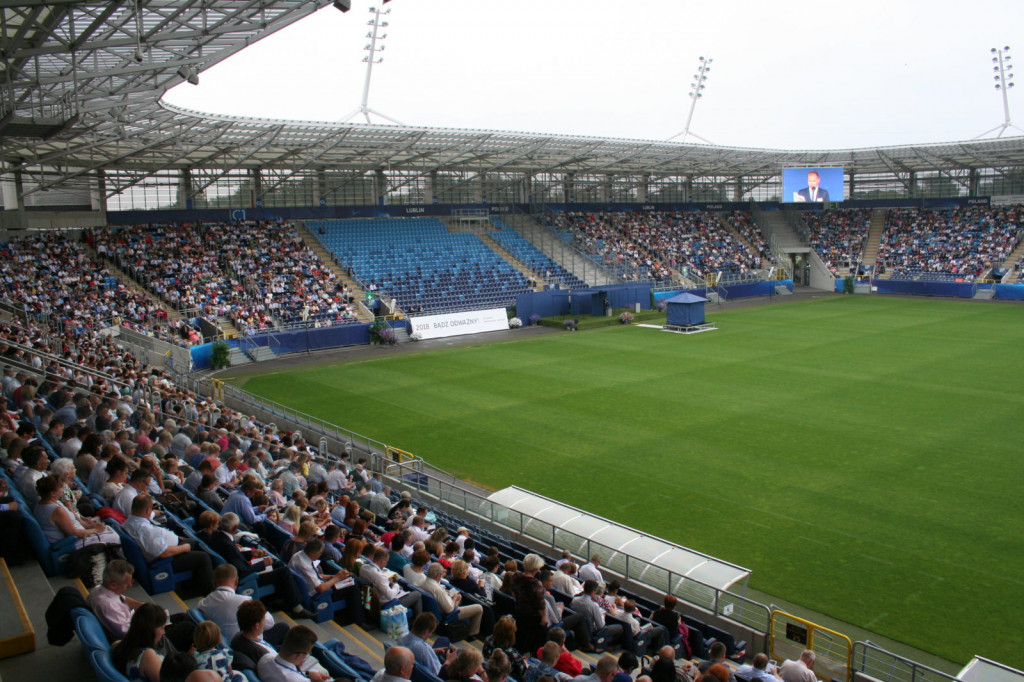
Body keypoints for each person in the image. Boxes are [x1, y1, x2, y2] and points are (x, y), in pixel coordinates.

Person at [122, 494, 213, 595]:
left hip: (166, 546)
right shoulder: (145, 531)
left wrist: (153, 513)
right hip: (164, 560)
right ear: (148, 510)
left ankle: (194, 581)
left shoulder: (129, 521)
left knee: (193, 542)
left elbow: (143, 518)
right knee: (204, 557)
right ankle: (205, 591)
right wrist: (184, 547)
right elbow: (163, 553)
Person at [288, 538, 365, 624]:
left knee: (348, 581)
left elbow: (313, 576)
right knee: (353, 586)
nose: (320, 555)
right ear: (313, 553)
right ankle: (358, 620)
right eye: (320, 553)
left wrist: (333, 577)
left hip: (313, 587)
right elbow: (320, 588)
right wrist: (337, 578)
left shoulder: (298, 555)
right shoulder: (305, 566)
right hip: (319, 595)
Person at [34, 473, 119, 548]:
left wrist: (88, 526)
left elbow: (74, 519)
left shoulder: (47, 502)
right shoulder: (56, 511)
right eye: (60, 487)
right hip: (70, 544)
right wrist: (96, 530)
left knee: (107, 528)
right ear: (52, 493)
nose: (63, 488)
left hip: (77, 535)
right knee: (115, 536)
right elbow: (74, 534)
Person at [420, 562, 483, 637]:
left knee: (459, 596)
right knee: (479, 608)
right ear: (437, 576)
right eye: (441, 574)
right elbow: (449, 609)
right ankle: (472, 634)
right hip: (448, 613)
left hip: (439, 607)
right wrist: (455, 599)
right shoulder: (437, 590)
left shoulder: (423, 583)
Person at [111, 602, 169, 682]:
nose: (164, 632)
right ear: (150, 630)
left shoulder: (117, 645)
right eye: (162, 628)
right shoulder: (147, 655)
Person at [359, 546, 423, 618]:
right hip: (385, 604)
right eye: (386, 562)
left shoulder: (363, 568)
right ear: (382, 562)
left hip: (371, 600)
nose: (386, 564)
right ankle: (418, 622)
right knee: (417, 594)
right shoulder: (380, 576)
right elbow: (390, 596)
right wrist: (396, 586)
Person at [256, 624, 335, 682]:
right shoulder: (299, 680)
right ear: (298, 655)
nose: (306, 657)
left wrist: (307, 674)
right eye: (306, 654)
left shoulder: (265, 658)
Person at [397, 612, 456, 677]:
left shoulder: (401, 639)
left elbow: (415, 650)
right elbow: (438, 673)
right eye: (431, 632)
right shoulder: (424, 649)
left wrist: (433, 651)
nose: (430, 635)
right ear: (426, 631)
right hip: (436, 674)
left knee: (443, 639)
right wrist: (448, 661)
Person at [571, 580, 623, 650]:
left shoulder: (575, 600)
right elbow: (601, 626)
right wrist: (602, 616)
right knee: (620, 627)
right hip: (591, 631)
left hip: (579, 628)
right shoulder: (593, 606)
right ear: (593, 591)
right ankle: (605, 646)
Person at [512, 554, 548, 653]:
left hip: (519, 614)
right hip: (532, 619)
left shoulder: (516, 578)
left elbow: (514, 594)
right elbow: (541, 605)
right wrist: (544, 618)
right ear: (536, 568)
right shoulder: (536, 584)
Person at [482, 615, 529, 681]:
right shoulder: (512, 653)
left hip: (489, 670)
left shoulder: (488, 639)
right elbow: (522, 672)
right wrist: (525, 664)